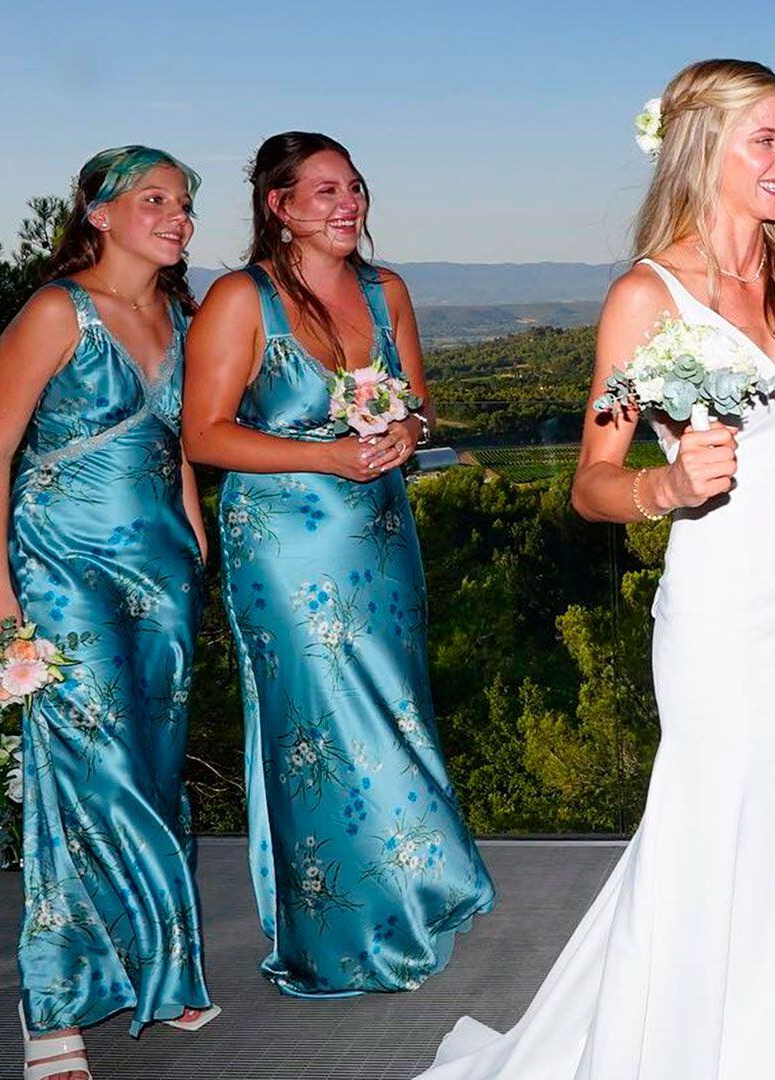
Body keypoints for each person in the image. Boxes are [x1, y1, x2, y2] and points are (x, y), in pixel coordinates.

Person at [416, 58, 775, 1079]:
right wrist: (664, 487)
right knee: (713, 829)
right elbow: (592, 482)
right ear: (704, 151)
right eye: (769, 140)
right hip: (723, 611)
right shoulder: (646, 297)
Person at [182, 132, 495, 998]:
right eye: (324, 191)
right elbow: (204, 435)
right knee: (322, 727)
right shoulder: (240, 300)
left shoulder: (386, 289)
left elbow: (420, 406)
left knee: (395, 705)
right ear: (278, 206)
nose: (347, 202)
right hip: (285, 547)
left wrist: (406, 433)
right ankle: (345, 931)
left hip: (382, 535)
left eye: (353, 187)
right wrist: (324, 457)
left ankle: (420, 883)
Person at [0, 146, 217, 1080]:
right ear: (99, 214)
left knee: (152, 766)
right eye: (155, 199)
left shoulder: (179, 315)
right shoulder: (55, 312)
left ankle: (159, 964)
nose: (178, 216)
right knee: (89, 770)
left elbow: (176, 447)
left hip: (162, 571)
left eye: (184, 202)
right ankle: (54, 1005)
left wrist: (196, 547)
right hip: (63, 568)